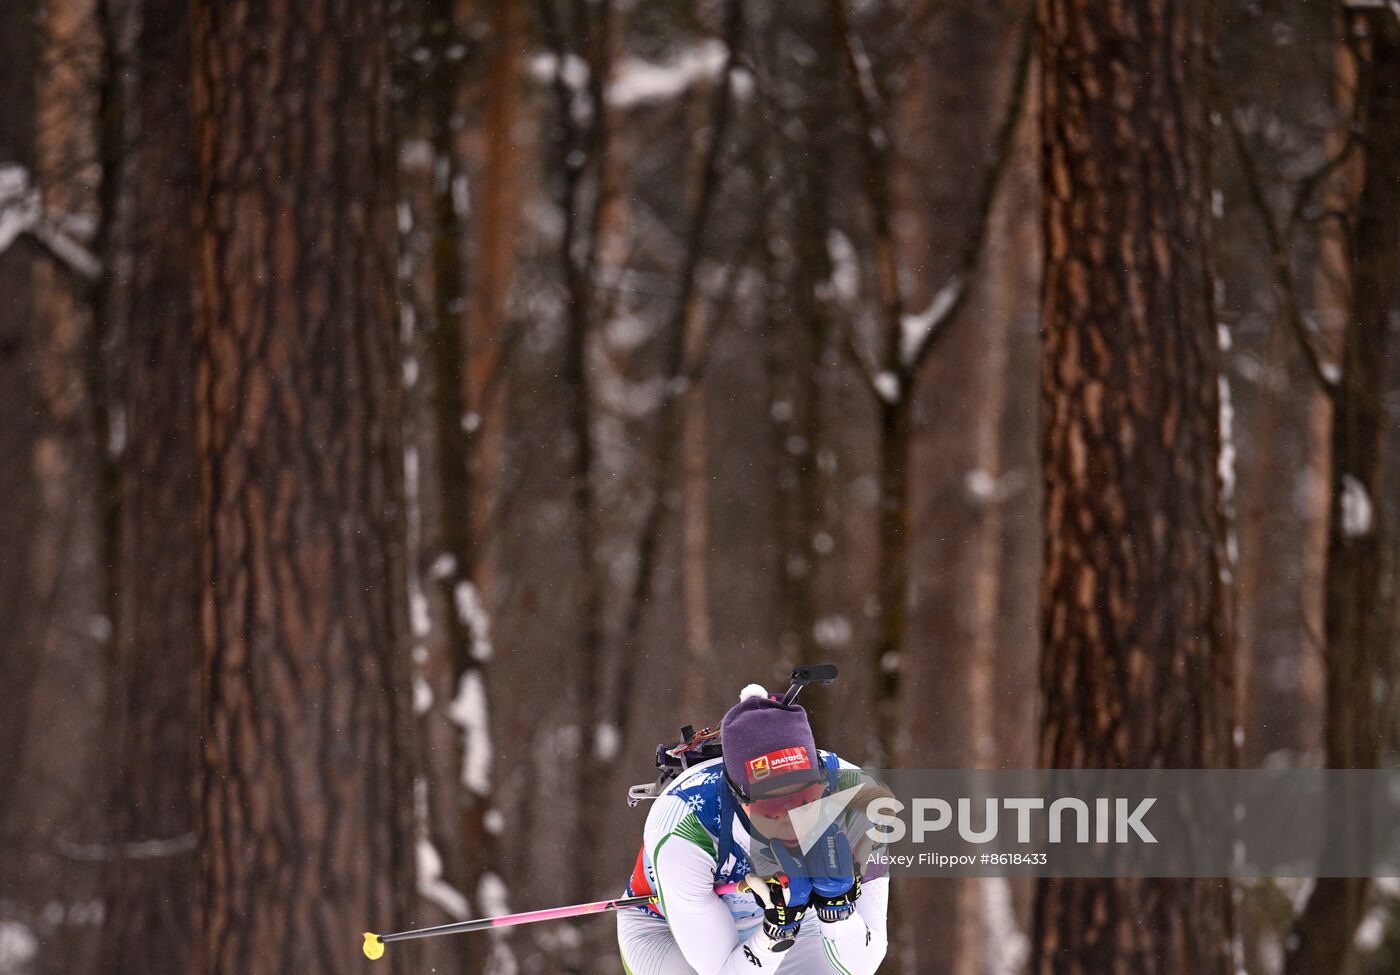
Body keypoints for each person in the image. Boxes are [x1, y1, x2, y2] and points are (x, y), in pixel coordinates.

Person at [617, 685, 889, 973]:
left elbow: (862, 964)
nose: (791, 818)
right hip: (666, 928)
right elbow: (720, 969)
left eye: (805, 799)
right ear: (739, 799)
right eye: (772, 806)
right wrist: (774, 934)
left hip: (802, 921)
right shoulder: (685, 828)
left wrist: (839, 912)